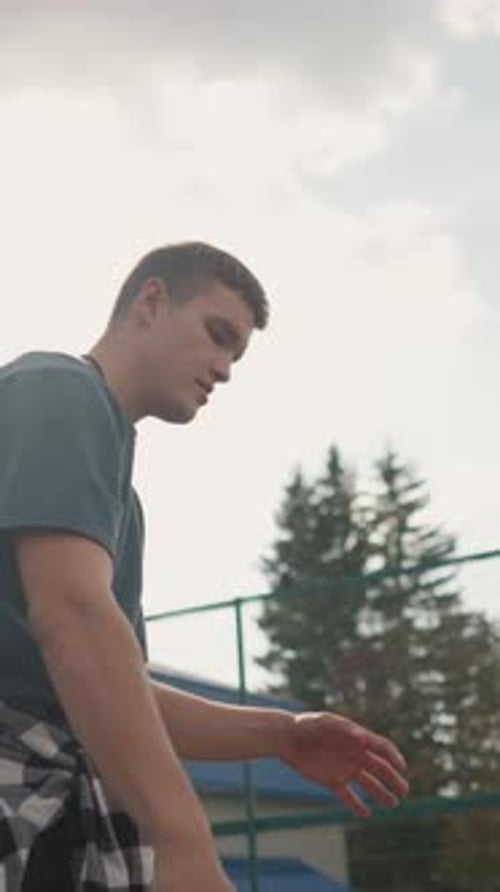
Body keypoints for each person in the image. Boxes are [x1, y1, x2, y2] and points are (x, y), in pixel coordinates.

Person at [0, 241, 409, 891]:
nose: (223, 369)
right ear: (151, 301)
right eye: (217, 336)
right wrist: (182, 834)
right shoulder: (59, 387)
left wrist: (282, 735)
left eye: (236, 357)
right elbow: (73, 616)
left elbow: (114, 685)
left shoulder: (122, 506)